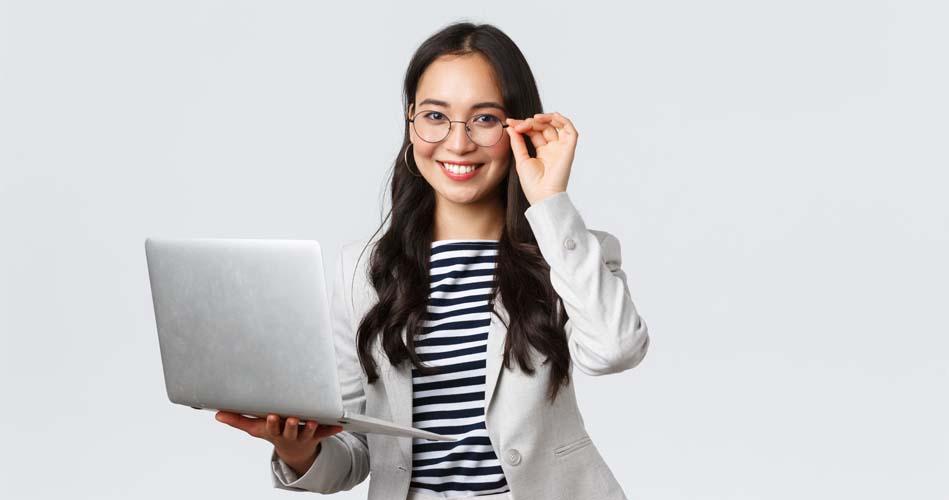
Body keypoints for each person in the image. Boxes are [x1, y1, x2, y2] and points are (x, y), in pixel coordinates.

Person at [214, 21, 650, 500]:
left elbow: (616, 350)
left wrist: (549, 202)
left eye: (485, 119)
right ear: (410, 122)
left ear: (519, 127)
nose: (458, 143)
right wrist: (298, 451)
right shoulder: (361, 272)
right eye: (435, 116)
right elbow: (357, 447)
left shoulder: (565, 252)